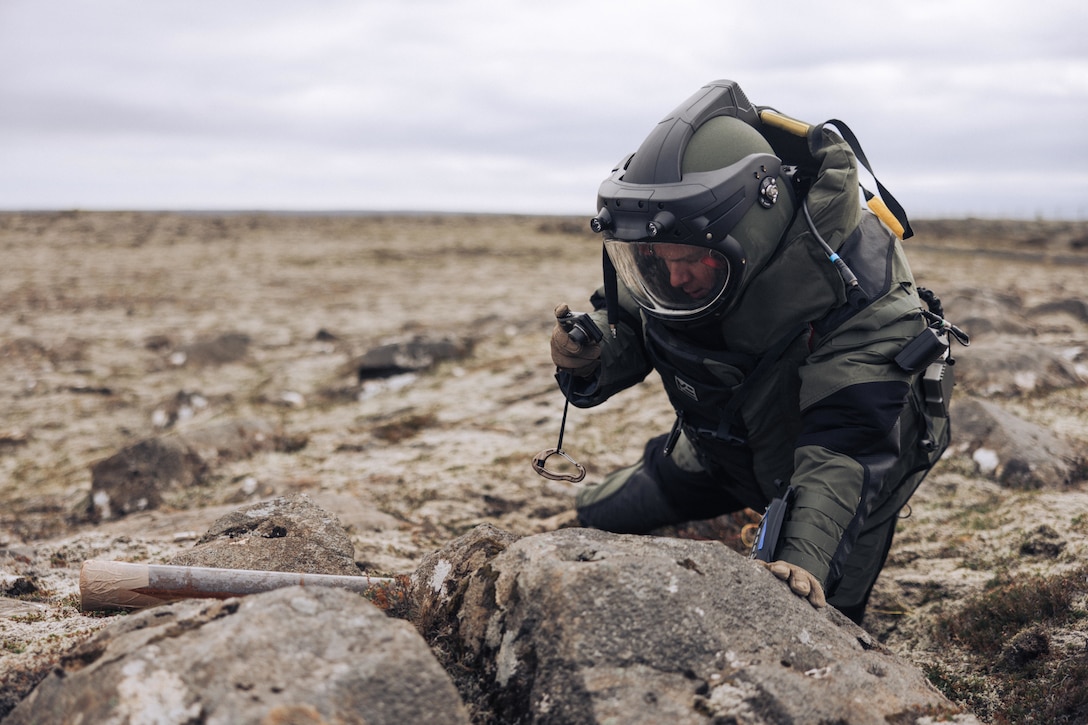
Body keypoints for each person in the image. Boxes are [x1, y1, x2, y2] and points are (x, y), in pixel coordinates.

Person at [549, 80, 959, 624]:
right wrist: (593, 348)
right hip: (719, 451)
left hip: (839, 481)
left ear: (754, 234)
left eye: (692, 261)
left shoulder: (864, 295)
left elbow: (846, 448)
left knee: (817, 620)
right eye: (654, 261)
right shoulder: (681, 252)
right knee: (598, 512)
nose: (675, 277)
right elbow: (632, 315)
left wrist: (802, 558)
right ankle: (586, 512)